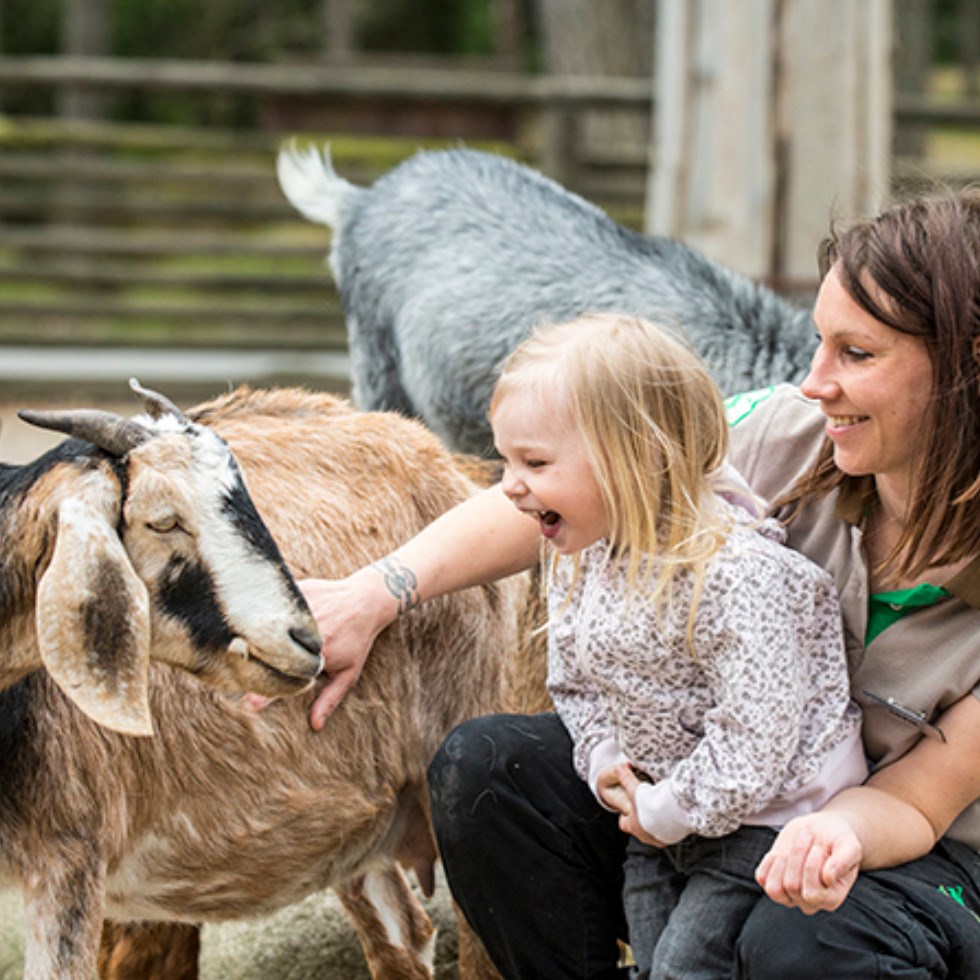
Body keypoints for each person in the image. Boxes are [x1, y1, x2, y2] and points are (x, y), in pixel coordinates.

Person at [298, 188, 980, 978]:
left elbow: (920, 801)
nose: (814, 381)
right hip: (718, 793)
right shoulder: (794, 432)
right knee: (491, 774)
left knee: (805, 940)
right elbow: (589, 484)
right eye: (819, 343)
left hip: (918, 847)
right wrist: (378, 591)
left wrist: (829, 836)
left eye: (856, 355)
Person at [485, 312, 865, 979]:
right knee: (657, 957)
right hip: (658, 811)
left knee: (685, 968)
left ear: (635, 454)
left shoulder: (737, 577)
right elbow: (575, 679)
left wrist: (671, 808)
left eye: (535, 462)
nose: (511, 485)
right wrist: (605, 759)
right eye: (506, 460)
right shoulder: (581, 554)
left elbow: (756, 738)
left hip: (769, 817)